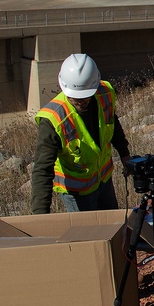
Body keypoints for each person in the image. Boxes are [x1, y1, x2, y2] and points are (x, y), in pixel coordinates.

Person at [31, 53, 131, 214]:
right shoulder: (53, 119)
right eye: (74, 97)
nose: (80, 101)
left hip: (104, 181)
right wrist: (40, 216)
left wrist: (125, 155)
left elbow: (112, 123)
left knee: (114, 226)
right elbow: (42, 169)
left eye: (85, 97)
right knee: (88, 235)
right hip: (76, 192)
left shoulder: (104, 94)